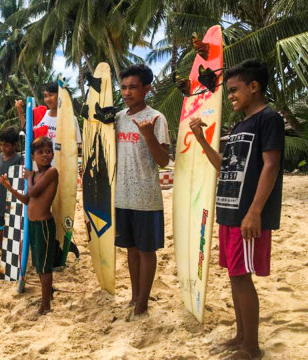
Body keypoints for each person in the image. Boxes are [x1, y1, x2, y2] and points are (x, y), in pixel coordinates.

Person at [190, 59, 283, 360]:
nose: (230, 96)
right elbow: (224, 167)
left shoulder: (268, 119)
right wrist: (203, 141)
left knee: (242, 277)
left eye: (234, 90)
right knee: (234, 274)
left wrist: (255, 211)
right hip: (229, 212)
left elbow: (271, 165)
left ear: (254, 87)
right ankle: (241, 336)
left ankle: (251, 348)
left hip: (247, 214)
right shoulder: (240, 125)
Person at [114, 64, 171, 316]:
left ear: (146, 89)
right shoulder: (117, 118)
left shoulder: (156, 118)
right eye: (124, 87)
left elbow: (163, 161)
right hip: (122, 196)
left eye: (133, 87)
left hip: (147, 197)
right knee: (131, 250)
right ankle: (135, 295)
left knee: (147, 251)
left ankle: (143, 303)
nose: (127, 92)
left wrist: (148, 135)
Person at [0, 136, 58, 315]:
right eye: (40, 152)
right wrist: (9, 187)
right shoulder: (37, 175)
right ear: (33, 156)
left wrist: (30, 176)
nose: (45, 155)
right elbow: (27, 200)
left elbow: (32, 191)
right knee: (39, 264)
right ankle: (47, 296)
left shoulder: (51, 172)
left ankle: (45, 305)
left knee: (45, 266)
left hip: (44, 225)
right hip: (33, 224)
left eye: (48, 151)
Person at [15, 82, 82, 154]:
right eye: (45, 96)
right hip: (41, 163)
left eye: (51, 95)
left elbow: (76, 145)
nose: (47, 99)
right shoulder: (41, 115)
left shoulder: (70, 119)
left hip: (61, 163)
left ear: (60, 96)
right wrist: (20, 112)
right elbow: (27, 132)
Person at [0, 127, 23, 252]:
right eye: (1, 145)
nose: (3, 148)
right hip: (1, 202)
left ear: (14, 145)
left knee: (14, 231)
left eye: (6, 145)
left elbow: (22, 182)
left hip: (14, 202)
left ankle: (14, 254)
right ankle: (4, 253)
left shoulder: (19, 159)